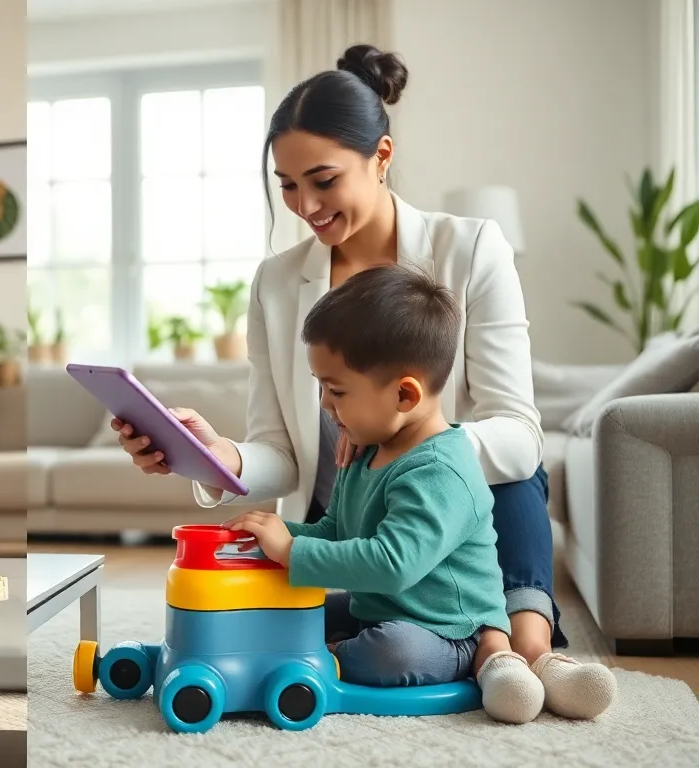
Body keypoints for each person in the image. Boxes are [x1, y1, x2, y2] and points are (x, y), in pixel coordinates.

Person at [111, 44, 615, 722]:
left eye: (322, 180)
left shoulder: (468, 250)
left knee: (505, 469)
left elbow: (520, 434)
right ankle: (509, 659)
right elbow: (281, 451)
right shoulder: (277, 283)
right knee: (331, 605)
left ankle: (526, 646)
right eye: (287, 184)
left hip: (461, 515)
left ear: (381, 155)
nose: (304, 206)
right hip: (345, 517)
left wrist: (411, 450)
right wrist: (216, 454)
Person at [224, 265, 539, 718]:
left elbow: (393, 564)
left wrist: (292, 551)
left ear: (404, 396)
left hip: (446, 629)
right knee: (292, 609)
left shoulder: (439, 470)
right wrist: (271, 535)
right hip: (376, 608)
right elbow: (337, 529)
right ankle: (320, 646)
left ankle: (486, 660)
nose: (325, 406)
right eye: (321, 388)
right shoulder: (366, 449)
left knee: (392, 653)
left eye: (336, 391)